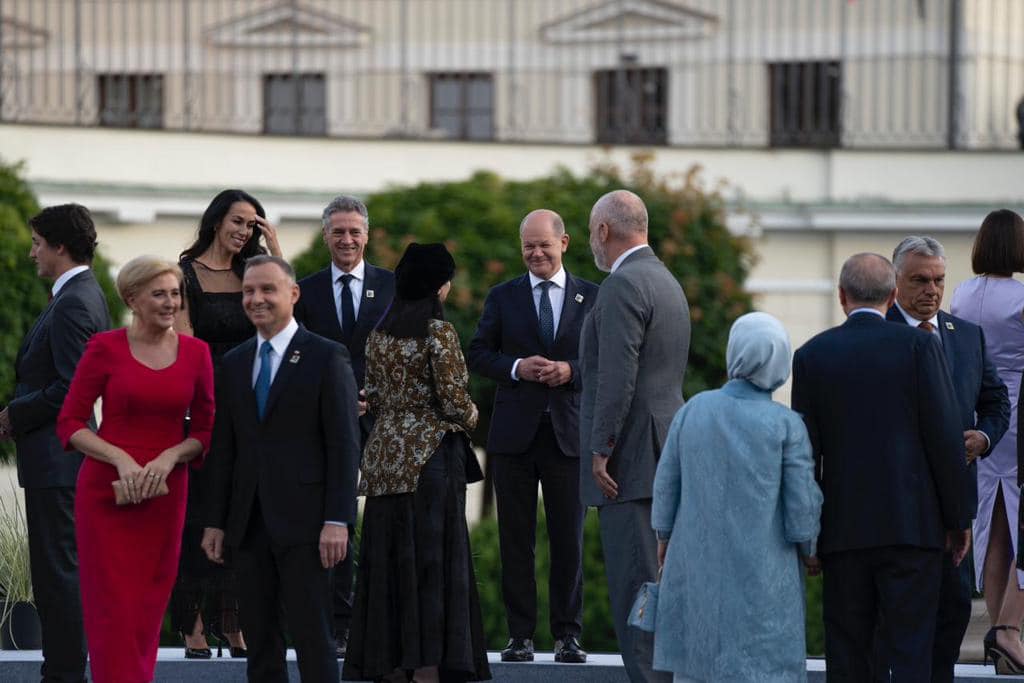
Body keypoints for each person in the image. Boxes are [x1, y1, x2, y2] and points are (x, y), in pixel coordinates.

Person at [791, 253, 968, 681]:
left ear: (841, 296)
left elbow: (804, 455)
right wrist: (958, 519)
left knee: (849, 652)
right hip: (914, 529)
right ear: (893, 296)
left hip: (843, 532)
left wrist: (809, 533)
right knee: (911, 651)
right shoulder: (921, 346)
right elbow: (945, 439)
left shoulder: (812, 355)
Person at [201, 255, 361, 682]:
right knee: (260, 643)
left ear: (292, 294)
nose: (256, 299)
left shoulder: (327, 357)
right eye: (249, 291)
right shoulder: (234, 363)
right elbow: (224, 450)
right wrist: (215, 522)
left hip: (310, 527)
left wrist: (337, 520)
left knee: (314, 639)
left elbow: (345, 445)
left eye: (267, 290)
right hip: (249, 526)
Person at [55, 255, 215, 683]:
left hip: (165, 495)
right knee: (111, 609)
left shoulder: (198, 354)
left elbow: (204, 430)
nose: (170, 303)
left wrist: (169, 456)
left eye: (176, 294)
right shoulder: (104, 347)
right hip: (107, 495)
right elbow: (70, 423)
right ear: (132, 298)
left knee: (147, 607)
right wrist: (120, 457)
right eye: (159, 294)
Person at [343, 242, 491, 683]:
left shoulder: (379, 334)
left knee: (388, 565)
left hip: (386, 463)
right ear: (440, 286)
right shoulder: (438, 334)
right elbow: (452, 401)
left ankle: (390, 666)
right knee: (431, 567)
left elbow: (376, 394)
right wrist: (473, 414)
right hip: (430, 464)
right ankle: (428, 670)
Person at [651, 312, 822, 683]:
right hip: (764, 571)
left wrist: (664, 536)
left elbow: (666, 484)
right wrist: (810, 549)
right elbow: (801, 508)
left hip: (695, 563)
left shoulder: (693, 409)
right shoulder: (786, 424)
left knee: (697, 667)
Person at [467, 209, 596, 664]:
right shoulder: (503, 296)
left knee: (568, 542)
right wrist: (518, 368)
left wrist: (571, 371)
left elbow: (605, 362)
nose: (536, 253)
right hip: (514, 439)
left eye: (544, 244)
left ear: (564, 243)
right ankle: (519, 636)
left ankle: (567, 636)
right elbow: (479, 353)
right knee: (515, 542)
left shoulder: (593, 297)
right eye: (528, 246)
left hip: (568, 437)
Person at [880, 235, 1009, 680]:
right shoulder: (878, 336)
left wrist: (985, 438)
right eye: (919, 280)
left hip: (954, 510)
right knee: (897, 622)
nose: (931, 290)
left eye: (938, 280)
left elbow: (996, 402)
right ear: (896, 282)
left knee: (953, 610)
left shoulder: (965, 336)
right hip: (894, 508)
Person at [579, 189, 689, 683]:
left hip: (630, 462)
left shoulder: (623, 285)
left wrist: (601, 450)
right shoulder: (665, 279)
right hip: (665, 449)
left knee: (638, 594)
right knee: (661, 590)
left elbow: (617, 378)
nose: (591, 243)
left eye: (589, 233)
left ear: (604, 231)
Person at [0, 203, 111, 683]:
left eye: (38, 244)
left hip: (59, 460)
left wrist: (12, 414)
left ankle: (64, 674)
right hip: (56, 461)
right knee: (56, 572)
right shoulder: (78, 296)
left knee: (58, 574)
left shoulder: (74, 302)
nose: (31, 254)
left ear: (60, 247)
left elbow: (71, 388)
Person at [172, 188, 281, 659]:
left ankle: (234, 624)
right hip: (202, 407)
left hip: (252, 410)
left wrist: (275, 252)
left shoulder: (254, 274)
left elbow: (282, 323)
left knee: (243, 518)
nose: (243, 231)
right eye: (238, 221)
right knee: (199, 516)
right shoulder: (185, 274)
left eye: (253, 225)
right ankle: (193, 626)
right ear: (217, 220)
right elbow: (185, 343)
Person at [294, 194, 395, 656]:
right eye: (339, 232)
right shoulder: (306, 291)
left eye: (355, 231)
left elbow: (407, 354)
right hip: (323, 423)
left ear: (367, 235)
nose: (348, 239)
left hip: (383, 420)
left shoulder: (392, 286)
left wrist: (371, 397)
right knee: (334, 521)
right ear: (325, 236)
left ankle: (382, 619)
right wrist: (333, 400)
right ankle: (337, 623)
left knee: (388, 520)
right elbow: (294, 355)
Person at [950, 209, 1024, 673]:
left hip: (984, 422)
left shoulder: (961, 293)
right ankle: (1009, 630)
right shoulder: (1021, 297)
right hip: (1019, 414)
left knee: (996, 533)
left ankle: (1003, 638)